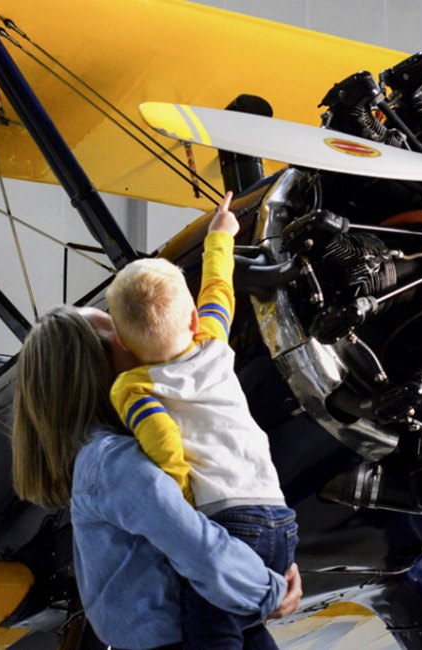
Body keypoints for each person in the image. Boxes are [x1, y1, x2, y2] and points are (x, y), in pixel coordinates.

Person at [11, 305, 301, 650]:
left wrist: (264, 562)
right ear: (92, 366)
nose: (133, 335)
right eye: (116, 331)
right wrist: (267, 587)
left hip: (214, 629)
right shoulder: (111, 460)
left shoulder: (117, 450)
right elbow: (196, 543)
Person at [105, 191, 297, 649]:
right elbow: (219, 288)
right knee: (251, 628)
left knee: (212, 633)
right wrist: (221, 236)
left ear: (126, 346)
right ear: (192, 320)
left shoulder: (132, 387)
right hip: (279, 518)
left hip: (226, 522)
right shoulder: (211, 339)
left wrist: (187, 512)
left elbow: (166, 448)